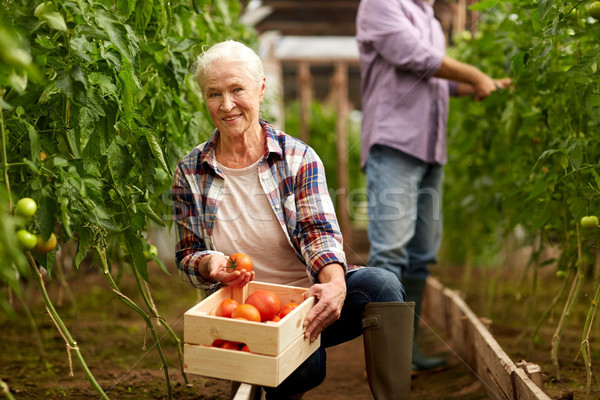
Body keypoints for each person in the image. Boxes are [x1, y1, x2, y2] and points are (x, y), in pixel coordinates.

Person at [172, 40, 414, 400]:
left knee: (383, 287)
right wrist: (210, 264)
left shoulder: (297, 158)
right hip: (244, 311)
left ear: (261, 88)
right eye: (214, 94)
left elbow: (320, 233)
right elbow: (187, 254)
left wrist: (333, 284)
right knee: (303, 369)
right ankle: (261, 380)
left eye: (237, 89)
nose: (226, 105)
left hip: (306, 300)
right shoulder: (191, 171)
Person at [356, 0, 512, 374]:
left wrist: (469, 86)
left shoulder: (428, 17)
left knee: (421, 255)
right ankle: (386, 362)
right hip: (395, 144)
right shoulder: (380, 5)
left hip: (430, 149)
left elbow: (431, 80)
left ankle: (406, 350)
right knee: (390, 253)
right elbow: (415, 56)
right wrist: (475, 73)